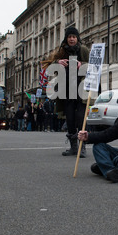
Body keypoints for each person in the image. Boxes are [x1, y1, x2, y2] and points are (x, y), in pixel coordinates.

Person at [41, 26, 90, 157]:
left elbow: (93, 66)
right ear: (66, 38)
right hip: (67, 90)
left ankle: (82, 147)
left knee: (80, 119)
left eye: (74, 37)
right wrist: (58, 62)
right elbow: (48, 66)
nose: (72, 39)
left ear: (77, 38)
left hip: (81, 90)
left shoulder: (83, 50)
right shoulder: (62, 51)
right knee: (70, 119)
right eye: (69, 37)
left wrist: (82, 64)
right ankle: (73, 147)